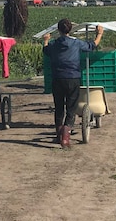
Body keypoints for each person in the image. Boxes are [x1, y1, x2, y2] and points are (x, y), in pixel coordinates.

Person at [42, 19, 103, 148]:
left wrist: (46, 40)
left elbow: (46, 51)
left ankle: (59, 134)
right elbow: (92, 45)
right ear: (70, 30)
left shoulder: (54, 44)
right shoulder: (76, 43)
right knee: (71, 107)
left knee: (59, 106)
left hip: (57, 78)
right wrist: (99, 34)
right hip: (73, 78)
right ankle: (66, 136)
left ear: (58, 30)